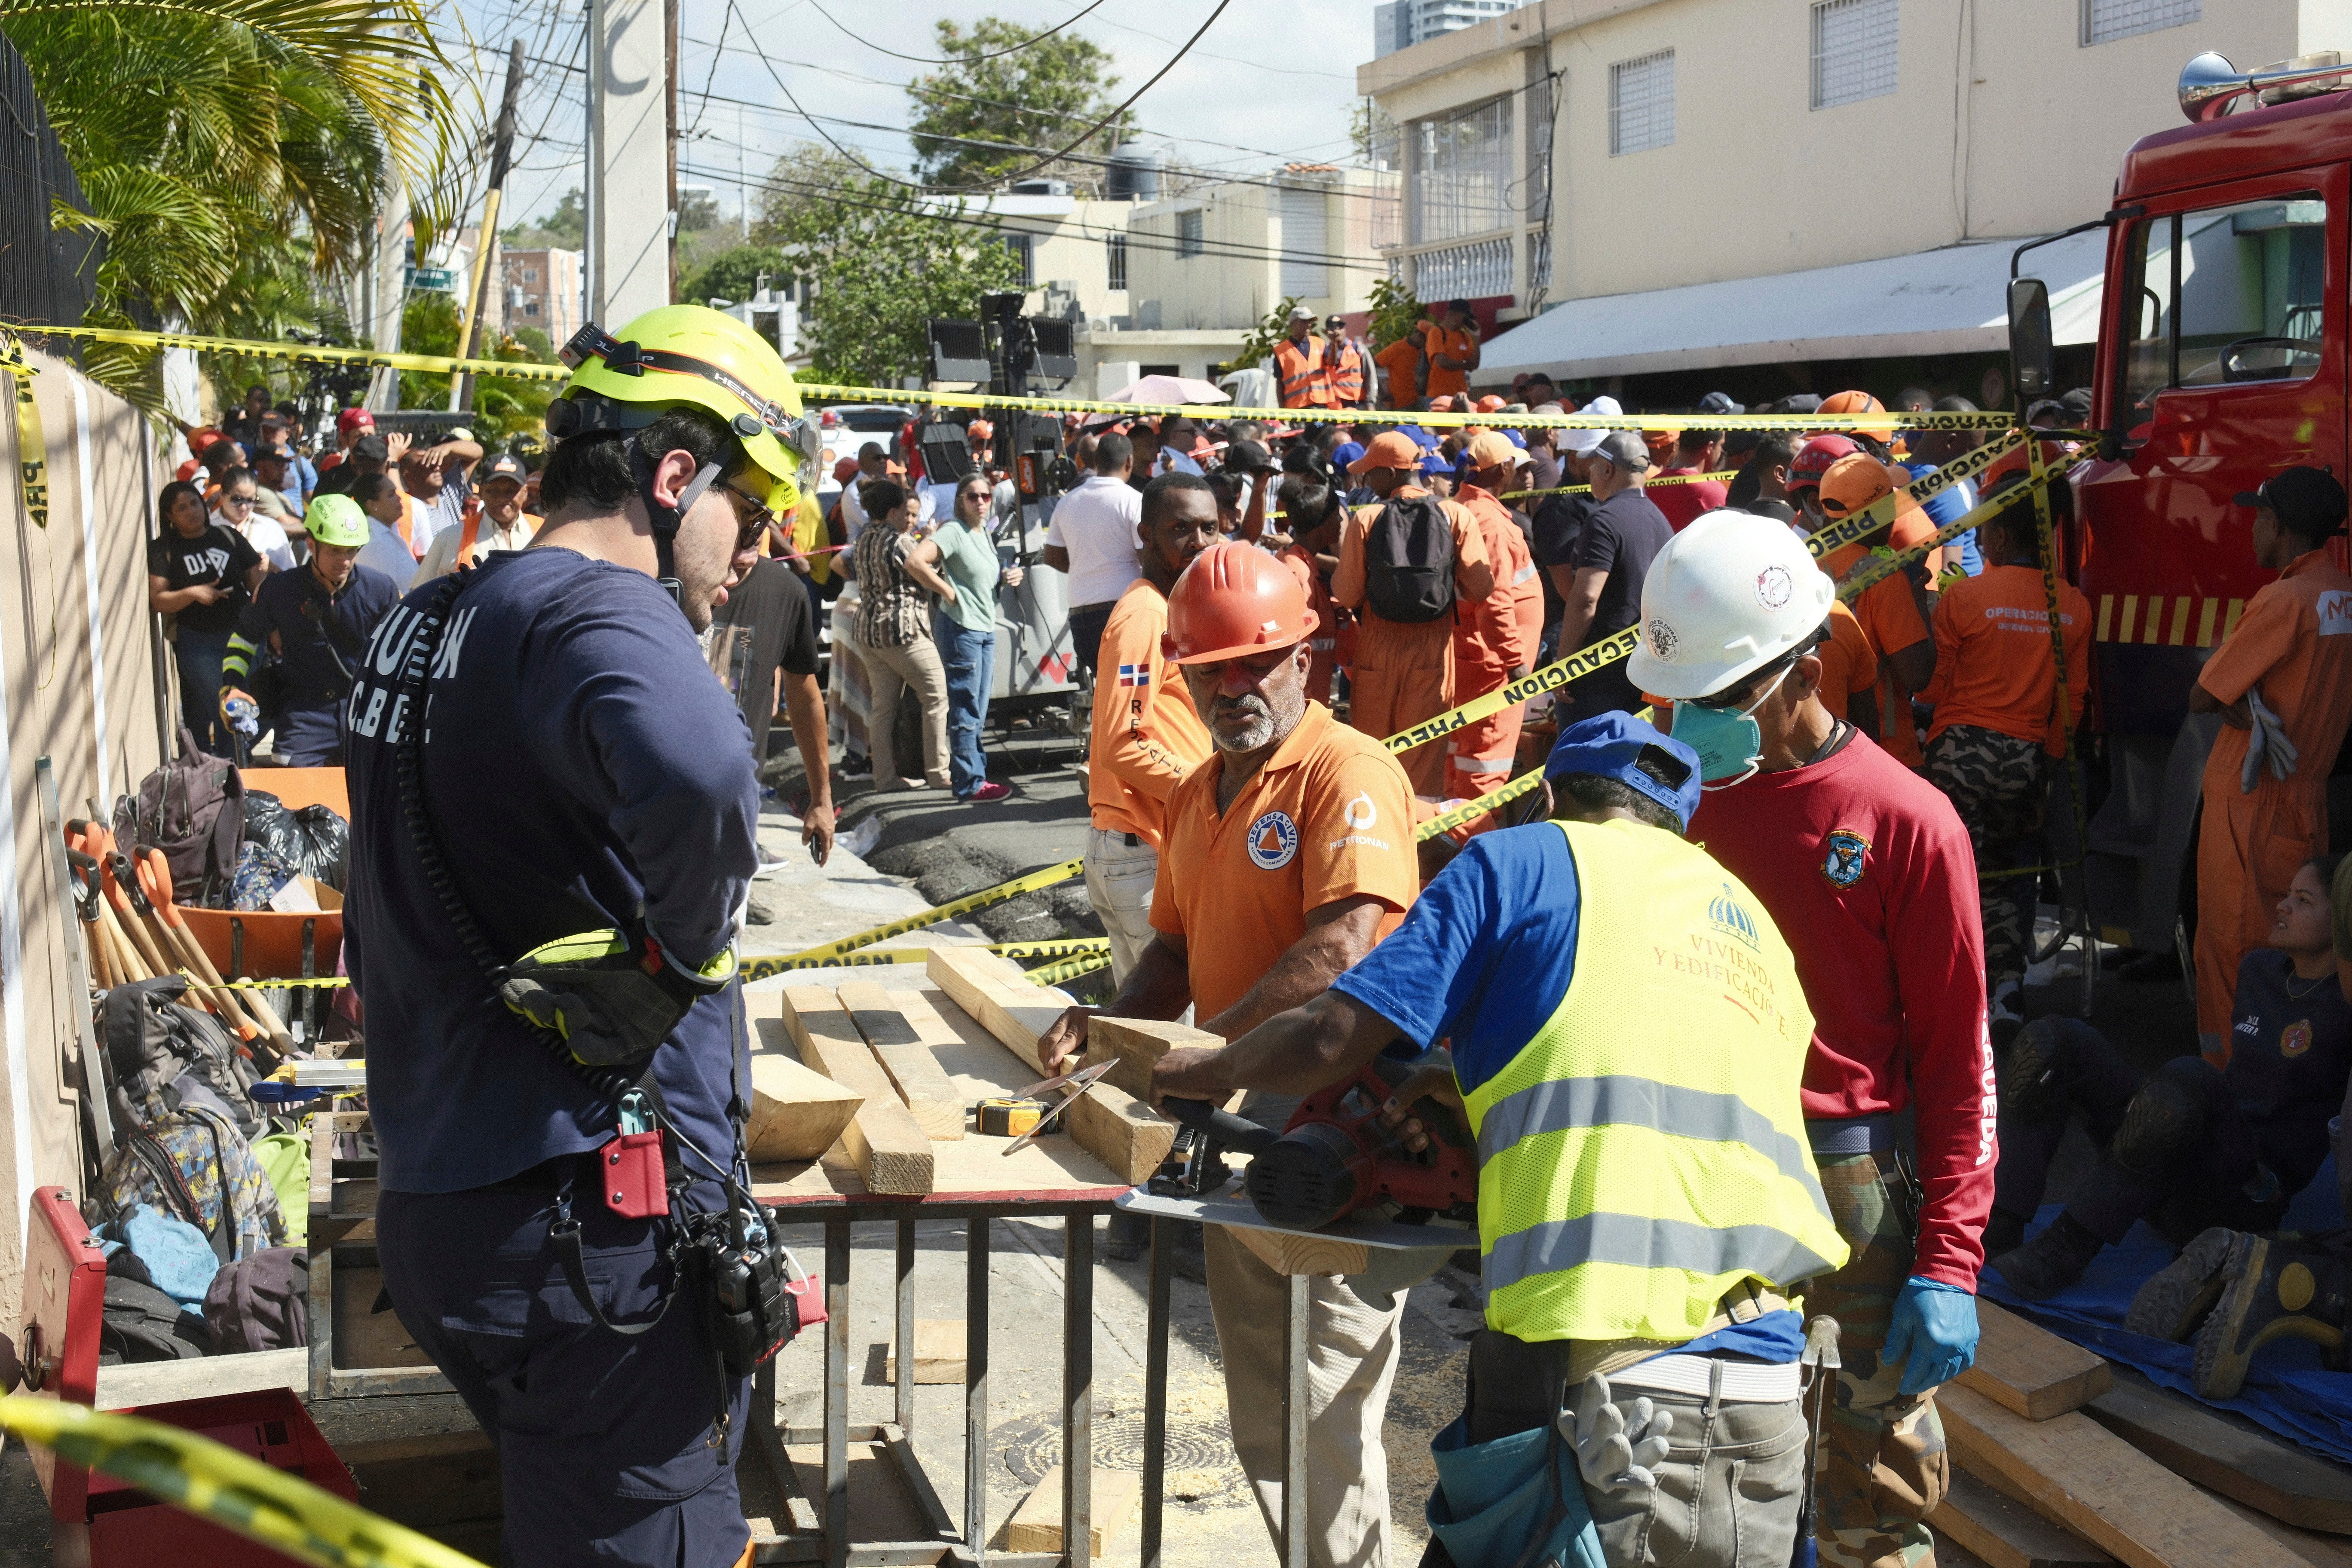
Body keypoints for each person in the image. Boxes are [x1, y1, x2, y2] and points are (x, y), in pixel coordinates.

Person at [344, 305, 797, 1568]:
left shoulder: (427, 618)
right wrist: (685, 947)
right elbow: (710, 773)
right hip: (586, 1233)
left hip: (455, 1200)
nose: (752, 543)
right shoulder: (604, 613)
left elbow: (366, 909)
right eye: (746, 507)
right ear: (672, 477)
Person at [1192, 714, 1847, 1568]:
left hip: (1615, 1408)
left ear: (1546, 795)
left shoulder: (1522, 860)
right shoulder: (1751, 924)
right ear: (1676, 825)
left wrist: (1192, 1068)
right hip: (1766, 1400)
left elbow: (1328, 1037)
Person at [1037, 540, 1424, 1568]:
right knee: (1266, 1411)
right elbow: (1173, 945)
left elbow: (1345, 943)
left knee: (1324, 1407)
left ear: (1306, 658)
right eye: (1210, 672)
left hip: (1334, 1137)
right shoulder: (1199, 787)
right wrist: (1106, 1025)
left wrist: (1213, 1052)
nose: (1233, 687)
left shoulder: (1346, 770)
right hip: (1244, 1130)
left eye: (1256, 664)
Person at [1641, 511, 1992, 1568]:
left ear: (1802, 669)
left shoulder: (1906, 821)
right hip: (1698, 1175)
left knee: (1868, 1501)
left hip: (1849, 1190)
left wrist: (1947, 1262)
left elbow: (1956, 1059)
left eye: (1715, 698)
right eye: (1679, 697)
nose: (1690, 718)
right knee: (1691, 1477)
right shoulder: (1667, 804)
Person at [1989, 854, 2349, 1309]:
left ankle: (2066, 1248)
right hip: (2183, 1159)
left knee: (2190, 1076)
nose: (2282, 907)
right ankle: (2001, 1223)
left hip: (2247, 1194)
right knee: (2055, 1040)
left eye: (2303, 901)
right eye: (2287, 895)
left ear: (2342, 924)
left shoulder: (2345, 1006)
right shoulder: (2261, 971)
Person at [1918, 474, 2091, 1044]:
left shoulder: (1964, 598)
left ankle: (1949, 995)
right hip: (2026, 763)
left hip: (1959, 755)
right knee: (2009, 877)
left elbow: (1932, 688)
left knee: (1951, 879)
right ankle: (2008, 991)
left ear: (1994, 538)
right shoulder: (2073, 606)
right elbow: (2072, 704)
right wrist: (2046, 770)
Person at [2188, 467, 2352, 1065]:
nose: (2252, 530)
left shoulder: (2284, 600)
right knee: (2300, 953)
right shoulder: (2343, 593)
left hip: (2250, 807)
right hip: (2308, 801)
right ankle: (2286, 1081)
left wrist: (2238, 698)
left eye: (2257, 518)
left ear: (2277, 525)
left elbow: (2204, 694)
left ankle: (2229, 1092)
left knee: (2234, 955)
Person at [1081, 473, 1219, 982]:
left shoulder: (1167, 610)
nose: (1198, 543)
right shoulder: (1145, 616)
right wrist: (1208, 791)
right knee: (1170, 1027)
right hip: (1142, 850)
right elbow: (1122, 740)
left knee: (1144, 1025)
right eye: (1181, 529)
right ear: (1146, 534)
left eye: (1210, 528)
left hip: (1146, 846)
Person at [1332, 431, 1495, 793]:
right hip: (1434, 650)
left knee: (1371, 756)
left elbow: (1346, 593)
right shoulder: (1456, 514)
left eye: (1371, 473)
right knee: (1422, 760)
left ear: (1390, 474)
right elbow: (1482, 588)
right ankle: (1416, 837)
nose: (1366, 481)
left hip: (1376, 646)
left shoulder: (1367, 519)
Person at [218, 494, 399, 766]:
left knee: (374, 798)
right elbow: (244, 639)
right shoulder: (278, 590)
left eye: (352, 551)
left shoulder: (381, 590)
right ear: (312, 545)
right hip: (303, 716)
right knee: (294, 799)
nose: (345, 560)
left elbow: (401, 656)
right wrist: (232, 686)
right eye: (335, 551)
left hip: (367, 713)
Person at [707, 548, 837, 868]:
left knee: (726, 913)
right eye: (743, 515)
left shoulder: (785, 591)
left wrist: (822, 799)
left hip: (735, 804)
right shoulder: (662, 573)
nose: (753, 527)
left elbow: (805, 696)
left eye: (763, 518)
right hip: (651, 801)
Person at [1809, 453, 1938, 771]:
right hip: (1886, 753)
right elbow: (1918, 675)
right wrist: (1918, 599)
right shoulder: (1884, 578)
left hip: (1818, 745)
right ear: (1875, 515)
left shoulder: (1802, 565)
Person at [1446, 432, 1540, 799]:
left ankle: (1446, 836)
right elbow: (1495, 600)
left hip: (1472, 654)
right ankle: (1470, 833)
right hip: (1492, 665)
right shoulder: (1491, 523)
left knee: (1461, 755)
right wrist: (1514, 662)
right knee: (1485, 761)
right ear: (1504, 468)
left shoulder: (1464, 507)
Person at [1555, 431, 1671, 722]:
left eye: (1594, 464)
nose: (1590, 471)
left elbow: (1585, 599)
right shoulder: (1659, 518)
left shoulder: (1603, 520)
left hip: (1599, 677)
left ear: (1607, 469)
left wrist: (1564, 665)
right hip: (1645, 667)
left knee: (1586, 762)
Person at [848, 479, 955, 791]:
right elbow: (925, 570)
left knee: (883, 707)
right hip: (903, 629)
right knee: (936, 695)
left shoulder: (863, 538)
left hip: (868, 630)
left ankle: (884, 777)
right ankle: (938, 772)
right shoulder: (899, 541)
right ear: (893, 511)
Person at [149, 478, 264, 757]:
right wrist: (194, 593)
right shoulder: (163, 549)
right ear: (170, 516)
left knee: (242, 703)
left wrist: (267, 621)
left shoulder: (227, 537)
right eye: (182, 508)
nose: (192, 511)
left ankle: (233, 765)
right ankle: (231, 770)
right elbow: (159, 600)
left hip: (242, 635)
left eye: (195, 503)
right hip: (199, 642)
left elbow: (256, 581)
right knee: (225, 706)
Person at [926, 473, 1020, 804]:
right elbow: (916, 561)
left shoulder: (982, 534)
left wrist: (1007, 577)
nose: (980, 501)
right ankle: (969, 783)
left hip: (982, 626)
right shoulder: (954, 530)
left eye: (985, 495)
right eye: (972, 496)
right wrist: (946, 591)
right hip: (962, 628)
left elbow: (982, 579)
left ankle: (973, 779)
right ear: (960, 501)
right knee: (967, 708)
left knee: (977, 709)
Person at [1041, 432, 1144, 680]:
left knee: (1104, 690)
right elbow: (1147, 558)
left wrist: (1083, 566)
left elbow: (1052, 556)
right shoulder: (1133, 500)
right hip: (1122, 612)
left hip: (1081, 615)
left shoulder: (1068, 502)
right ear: (1129, 462)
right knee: (1132, 691)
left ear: (1096, 461)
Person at [412, 453, 541, 583]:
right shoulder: (451, 537)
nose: (502, 498)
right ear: (481, 492)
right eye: (494, 491)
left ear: (525, 493)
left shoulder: (544, 530)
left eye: (511, 491)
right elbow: (418, 594)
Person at [397, 429, 487, 554]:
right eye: (427, 463)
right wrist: (393, 462)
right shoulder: (409, 507)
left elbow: (478, 452)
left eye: (436, 460)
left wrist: (447, 448)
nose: (437, 467)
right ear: (409, 476)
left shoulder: (449, 489)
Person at [212, 464, 296, 572]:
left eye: (250, 500)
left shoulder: (271, 528)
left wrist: (271, 567)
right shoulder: (209, 527)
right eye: (237, 499)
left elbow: (291, 576)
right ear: (222, 495)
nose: (244, 507)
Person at [1648, 428, 1729, 533]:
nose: (1722, 451)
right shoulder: (1713, 491)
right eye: (1721, 445)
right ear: (1710, 447)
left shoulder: (1651, 485)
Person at [351, 472, 427, 583]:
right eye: (391, 495)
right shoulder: (375, 543)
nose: (400, 498)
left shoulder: (389, 531)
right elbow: (382, 594)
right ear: (372, 505)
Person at [1415, 300, 1481, 407]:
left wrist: (1477, 338)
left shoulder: (1465, 337)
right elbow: (1442, 362)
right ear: (1453, 314)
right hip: (1437, 396)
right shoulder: (1437, 332)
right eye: (1465, 318)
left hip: (1460, 398)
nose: (1466, 322)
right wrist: (1465, 365)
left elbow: (1474, 365)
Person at [1276, 305, 1334, 410]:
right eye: (1304, 322)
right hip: (1297, 408)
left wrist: (1334, 343)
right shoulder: (1281, 351)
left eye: (1310, 322)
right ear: (1293, 324)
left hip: (1321, 405)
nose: (1309, 325)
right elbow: (1280, 384)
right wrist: (1282, 411)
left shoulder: (1319, 343)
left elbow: (1332, 363)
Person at [1323, 314, 1375, 411]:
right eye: (1333, 327)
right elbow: (1330, 363)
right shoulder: (1324, 351)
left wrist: (1370, 402)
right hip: (1333, 406)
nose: (1337, 330)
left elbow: (1370, 376)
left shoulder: (1358, 349)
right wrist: (1334, 342)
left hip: (1357, 404)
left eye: (1341, 327)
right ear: (1327, 332)